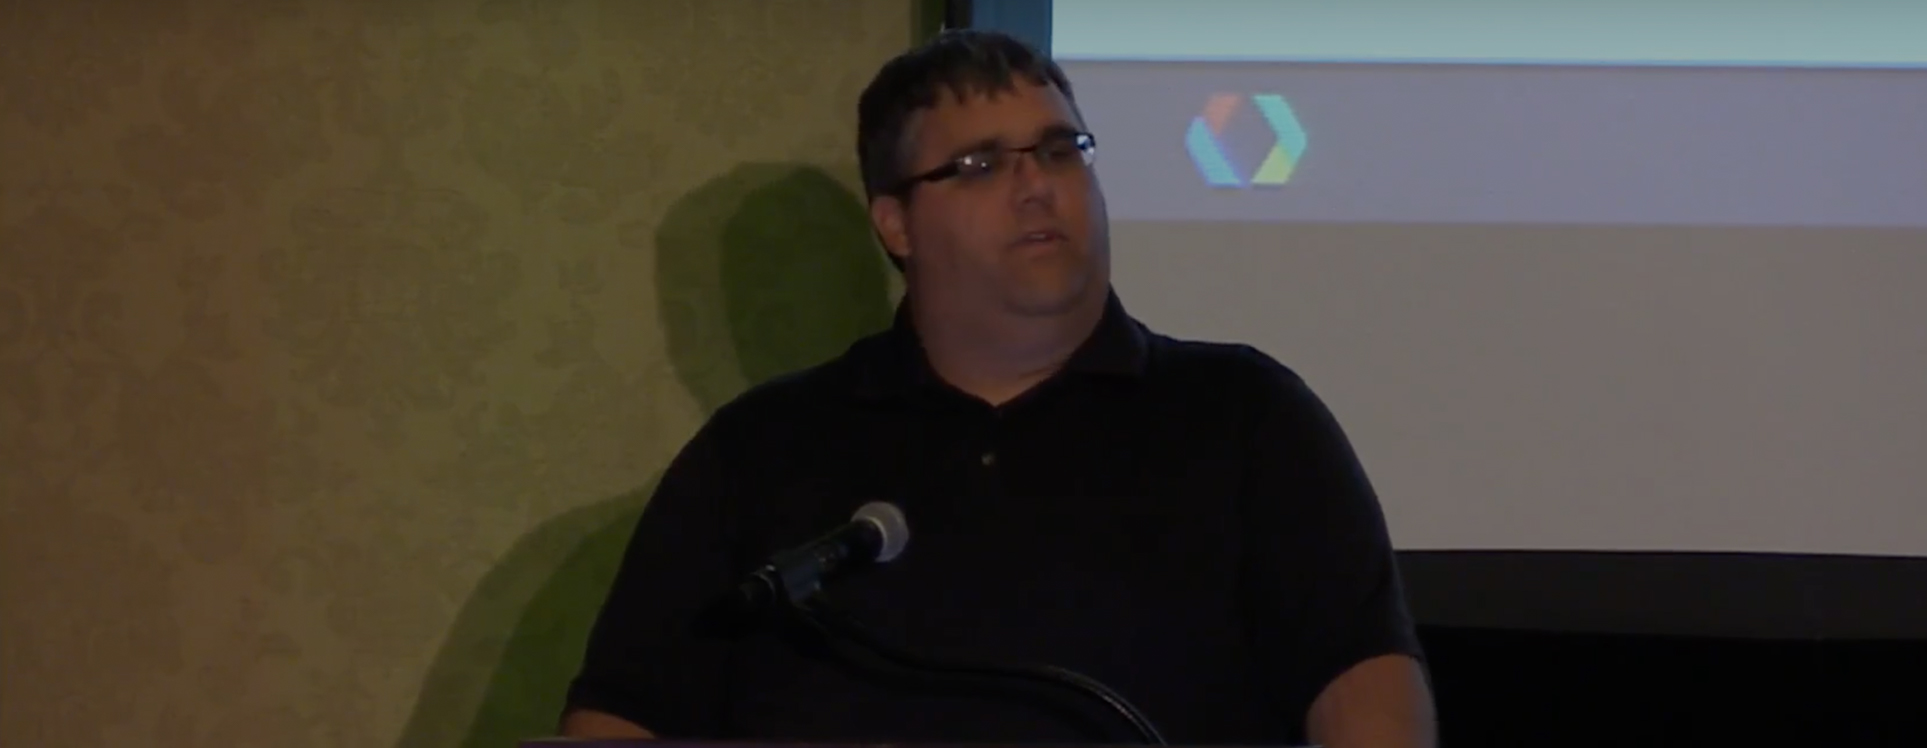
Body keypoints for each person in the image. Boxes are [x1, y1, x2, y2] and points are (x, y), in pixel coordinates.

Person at [559, 29, 1436, 748]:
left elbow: (1363, 681)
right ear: (895, 223)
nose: (1036, 186)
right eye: (980, 164)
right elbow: (623, 716)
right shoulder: (759, 449)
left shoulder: (1246, 415)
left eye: (1060, 150)